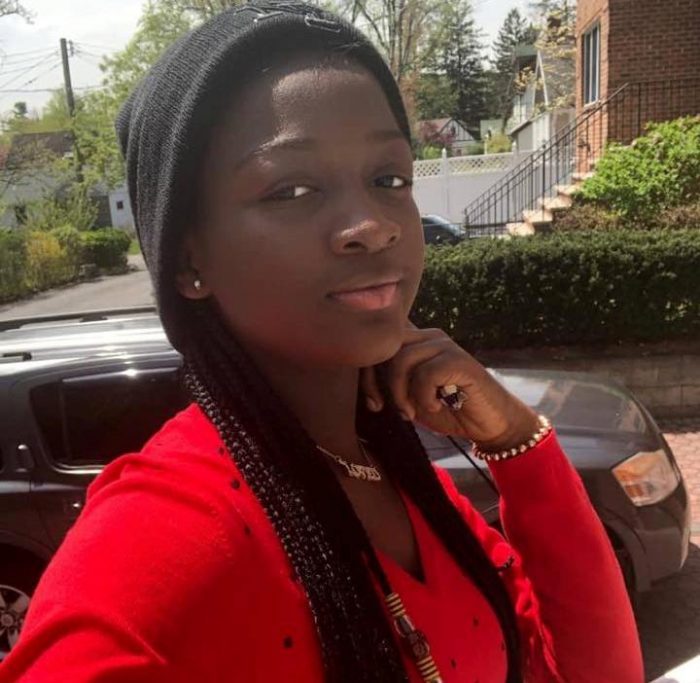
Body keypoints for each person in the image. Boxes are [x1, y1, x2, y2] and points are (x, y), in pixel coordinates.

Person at [0, 3, 644, 682]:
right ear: (188, 259)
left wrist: (515, 438)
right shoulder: (162, 535)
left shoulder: (403, 481)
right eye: (293, 188)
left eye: (389, 179)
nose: (373, 224)